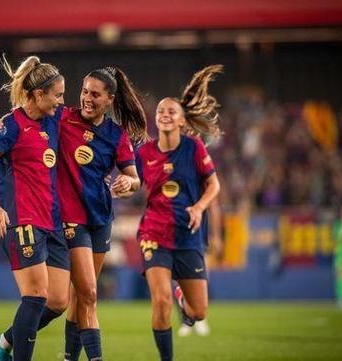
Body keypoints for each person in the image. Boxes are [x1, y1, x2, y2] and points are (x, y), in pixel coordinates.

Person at [0, 55, 68, 361]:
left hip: (53, 222)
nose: (61, 101)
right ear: (39, 94)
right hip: (22, 221)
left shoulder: (55, 119)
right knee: (36, 295)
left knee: (58, 302)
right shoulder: (11, 125)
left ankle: (2, 344)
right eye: (58, 95)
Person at [131, 65, 223, 360]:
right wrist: (126, 184)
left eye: (172, 111)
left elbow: (214, 185)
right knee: (160, 302)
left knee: (198, 312)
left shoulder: (194, 148)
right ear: (155, 118)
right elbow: (133, 179)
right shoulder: (144, 153)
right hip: (154, 234)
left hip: (188, 237)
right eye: (160, 111)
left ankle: (186, 299)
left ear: (182, 120)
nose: (165, 114)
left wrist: (198, 206)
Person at [57, 67, 147, 361]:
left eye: (95, 94)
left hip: (100, 221)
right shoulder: (61, 118)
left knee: (80, 298)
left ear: (109, 99)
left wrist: (128, 182)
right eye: (84, 91)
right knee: (90, 295)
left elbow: (134, 178)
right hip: (71, 219)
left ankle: (69, 358)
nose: (87, 98)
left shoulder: (116, 135)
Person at [176, 196, 223, 337]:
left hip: (199, 237)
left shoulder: (204, 178)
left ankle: (200, 318)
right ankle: (187, 320)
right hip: (177, 233)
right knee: (179, 281)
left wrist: (216, 235)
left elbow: (214, 208)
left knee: (202, 278)